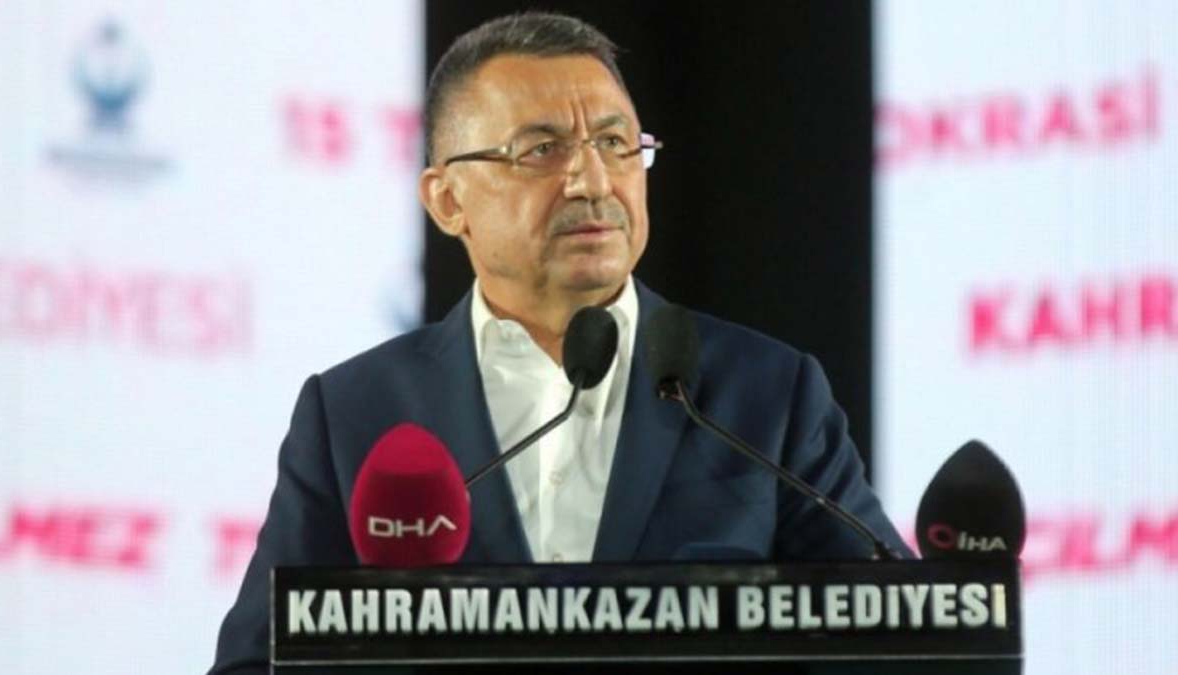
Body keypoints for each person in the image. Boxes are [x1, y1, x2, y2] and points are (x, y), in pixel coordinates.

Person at [210, 11, 910, 673]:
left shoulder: (767, 395)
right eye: (542, 150)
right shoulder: (356, 414)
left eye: (615, 143)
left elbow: (899, 639)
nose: (592, 180)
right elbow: (257, 662)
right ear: (448, 200)